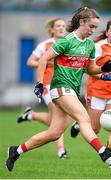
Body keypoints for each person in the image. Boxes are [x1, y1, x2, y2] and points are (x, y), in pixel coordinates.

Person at [6, 7, 111, 172]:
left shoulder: (89, 45)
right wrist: (39, 84)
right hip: (60, 88)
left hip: (71, 91)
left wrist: (104, 68)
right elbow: (43, 60)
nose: (93, 30)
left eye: (95, 28)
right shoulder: (66, 41)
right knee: (83, 117)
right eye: (91, 26)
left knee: (54, 133)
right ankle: (104, 153)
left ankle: (16, 151)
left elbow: (90, 69)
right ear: (82, 22)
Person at [70, 19, 111, 168]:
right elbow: (88, 69)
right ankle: (79, 125)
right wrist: (103, 75)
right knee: (95, 128)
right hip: (97, 92)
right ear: (107, 32)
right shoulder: (98, 47)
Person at [17, 18, 69, 159]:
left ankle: (30, 115)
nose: (61, 28)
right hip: (48, 85)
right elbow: (30, 61)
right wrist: (45, 62)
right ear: (51, 29)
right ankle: (61, 150)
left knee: (58, 119)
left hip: (64, 86)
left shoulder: (68, 44)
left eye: (63, 26)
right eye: (58, 26)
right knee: (58, 119)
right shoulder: (44, 45)